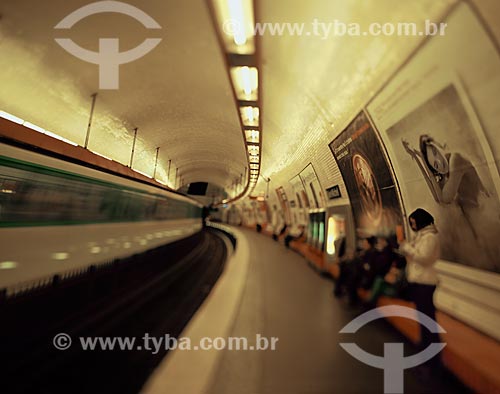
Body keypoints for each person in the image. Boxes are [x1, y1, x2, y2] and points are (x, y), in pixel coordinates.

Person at [399, 208, 442, 371]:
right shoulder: (422, 236)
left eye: (413, 222)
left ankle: (433, 359)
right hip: (419, 282)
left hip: (425, 283)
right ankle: (425, 351)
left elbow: (424, 258)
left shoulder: (430, 237)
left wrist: (407, 248)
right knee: (423, 319)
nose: (412, 225)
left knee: (428, 320)